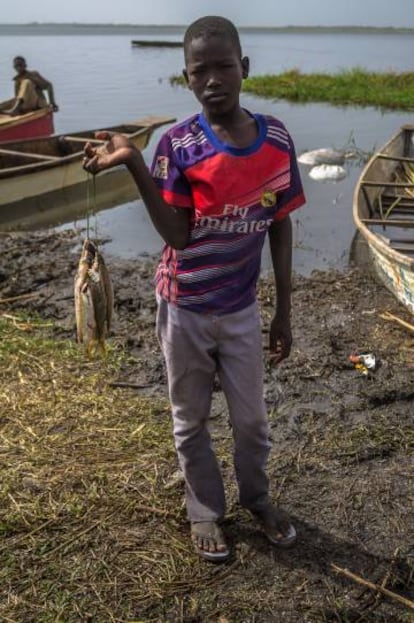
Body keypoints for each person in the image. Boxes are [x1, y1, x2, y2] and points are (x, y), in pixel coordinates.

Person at [82, 15, 306, 562]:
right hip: (182, 306)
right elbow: (178, 236)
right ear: (186, 78)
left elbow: (279, 223)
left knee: (251, 419)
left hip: (239, 308)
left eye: (223, 66)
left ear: (244, 69)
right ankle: (205, 510)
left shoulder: (275, 140)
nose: (213, 79)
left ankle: (257, 499)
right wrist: (134, 162)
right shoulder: (176, 145)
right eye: (199, 70)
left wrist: (283, 311)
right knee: (191, 418)